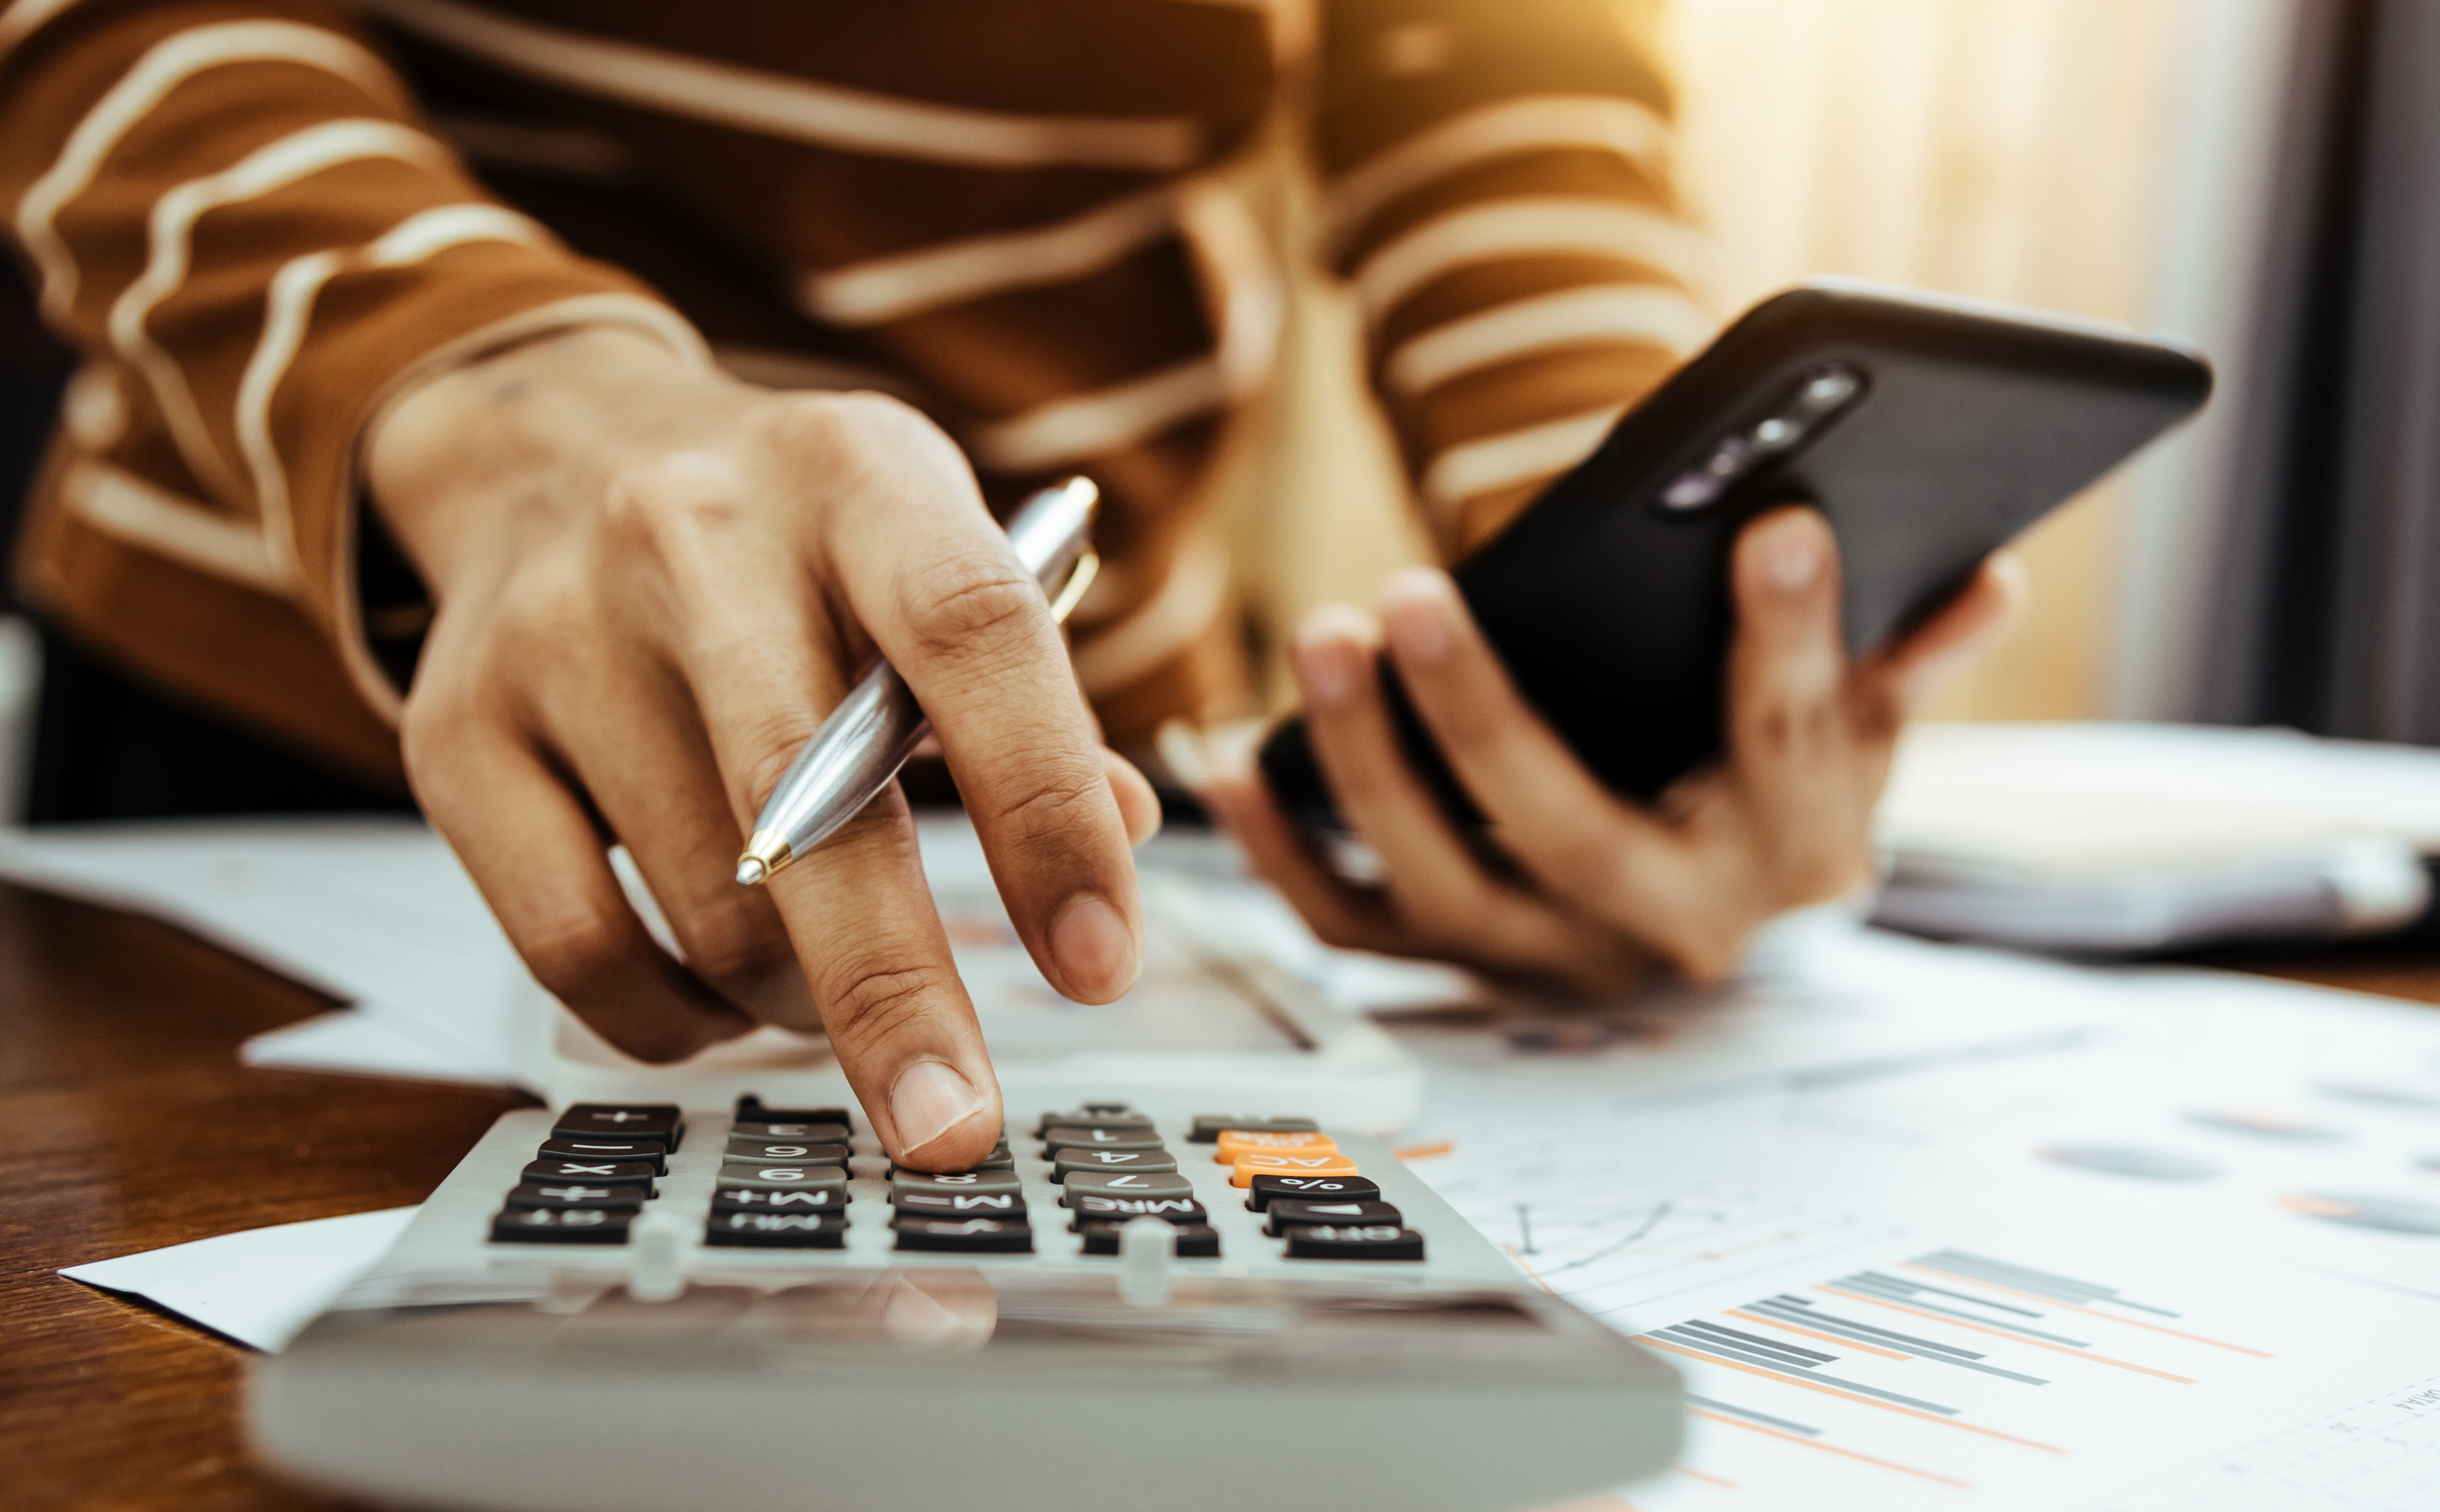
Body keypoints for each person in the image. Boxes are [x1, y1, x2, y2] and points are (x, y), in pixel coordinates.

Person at [0, 0, 2018, 1170]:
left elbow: (1492, 70)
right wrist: (486, 394)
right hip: (308, 689)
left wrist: (1625, 584)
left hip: (1073, 749)